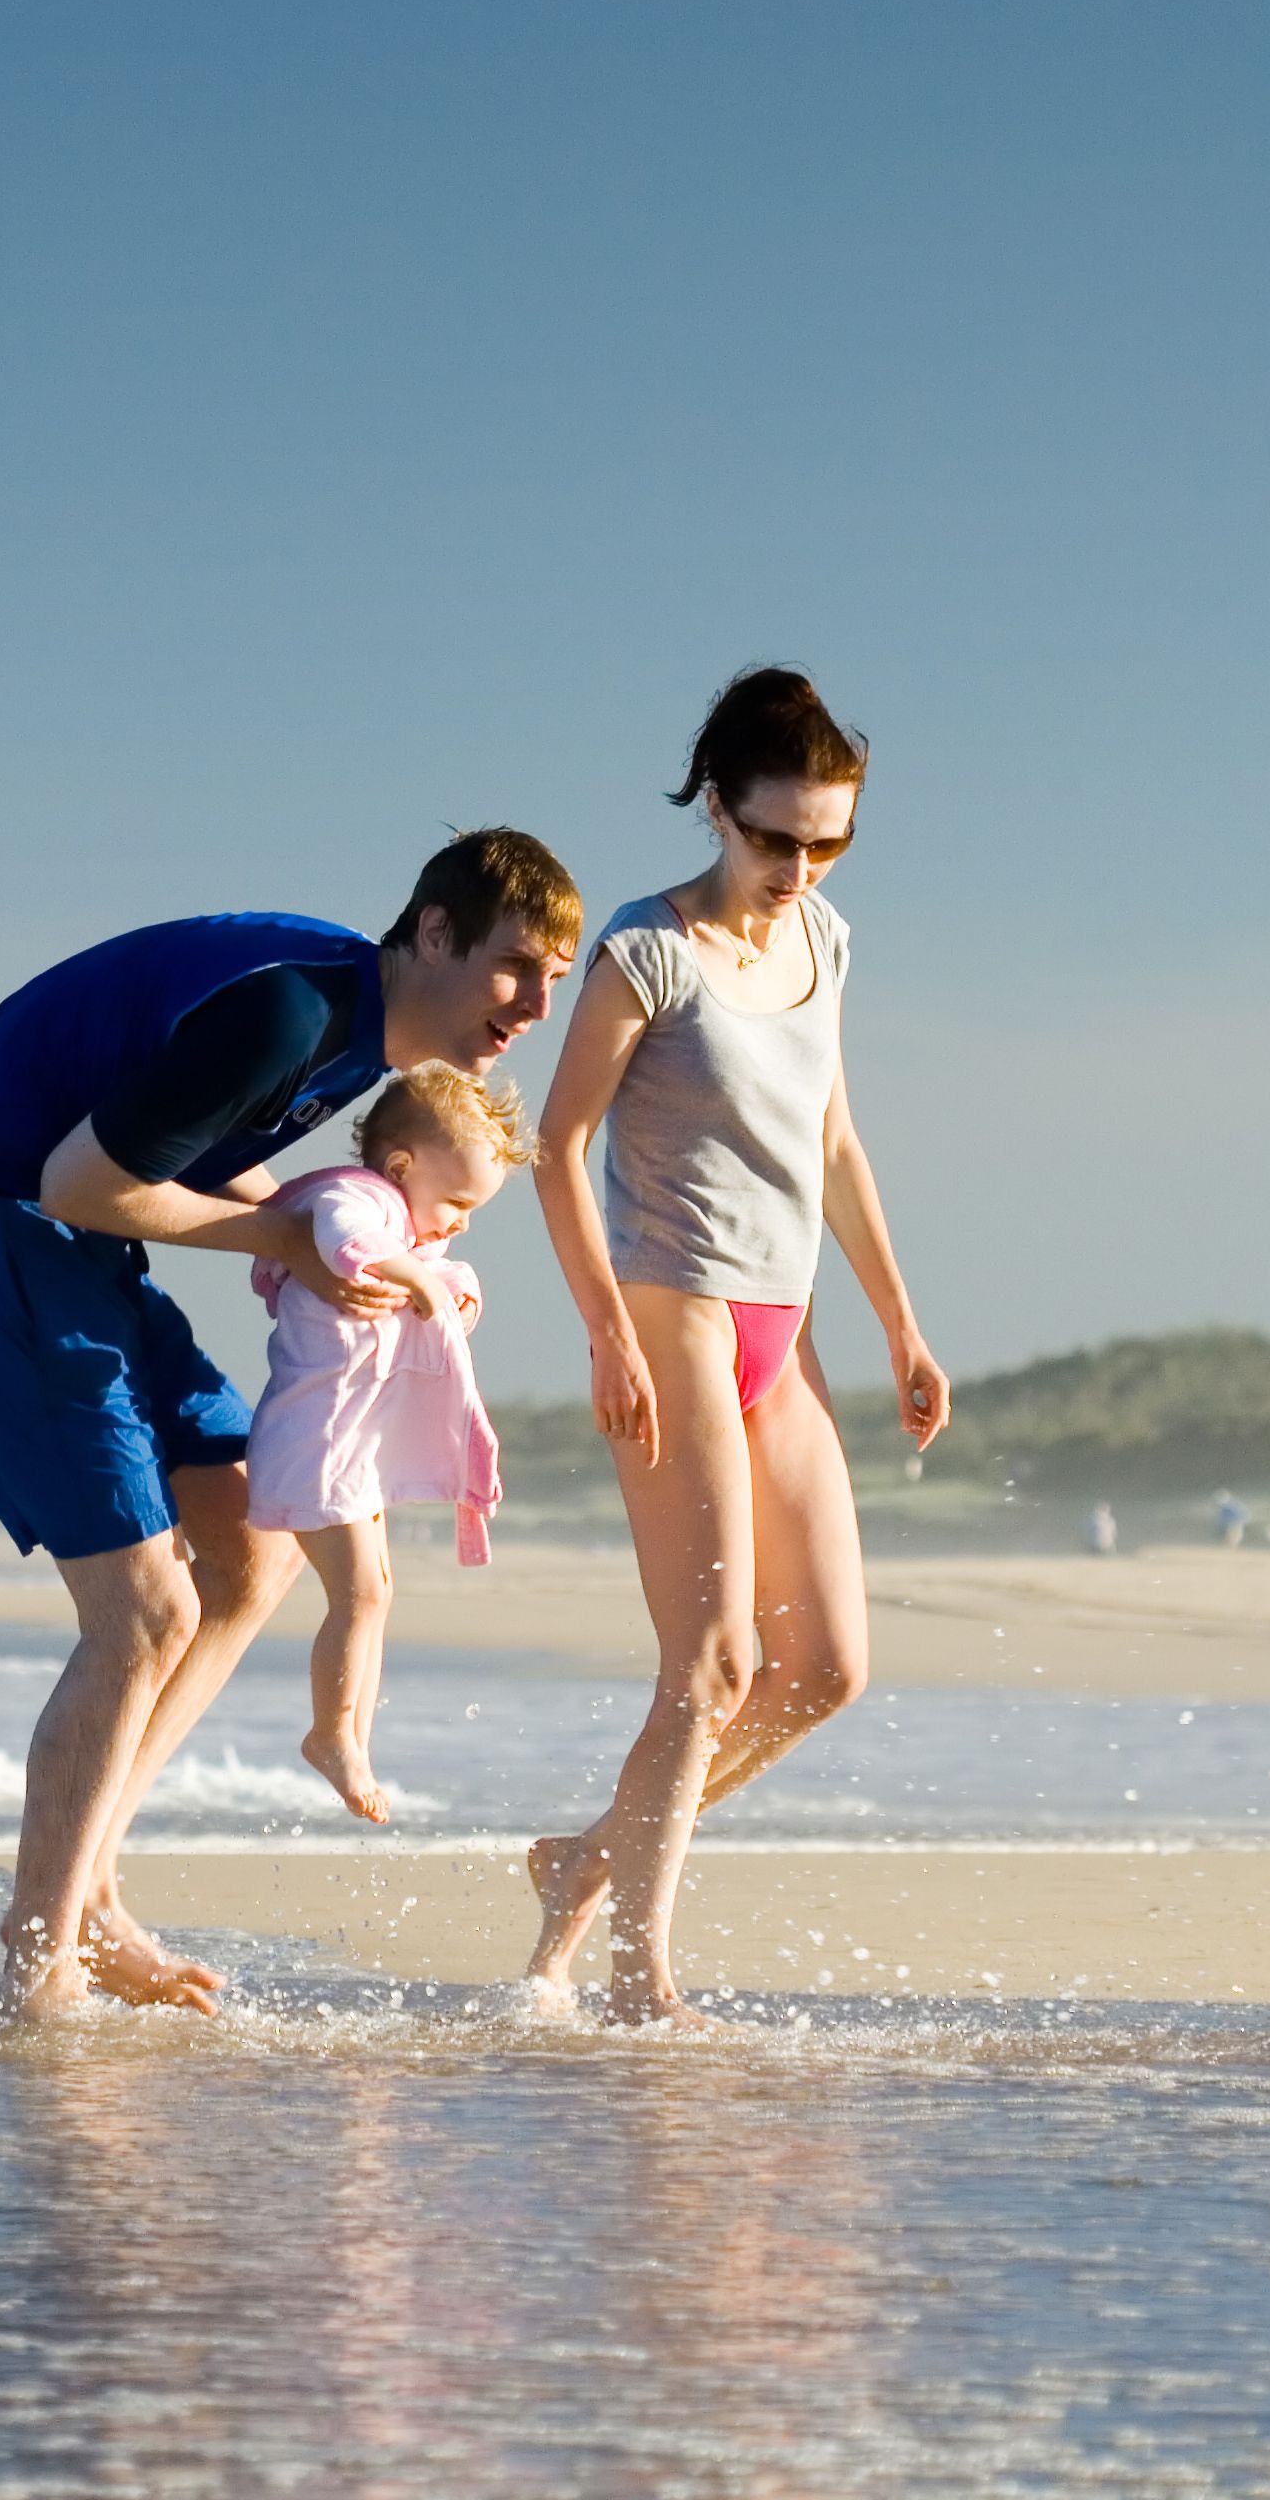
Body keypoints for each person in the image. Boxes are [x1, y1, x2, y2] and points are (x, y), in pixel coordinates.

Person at [0, 831, 584, 2021]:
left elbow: (178, 1159)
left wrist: (331, 1227)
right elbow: (75, 1182)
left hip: (79, 1254)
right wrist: (289, 1240)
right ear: (432, 933)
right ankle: (39, 1958)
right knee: (143, 1617)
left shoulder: (357, 1040)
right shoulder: (289, 1019)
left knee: (251, 1547)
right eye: (518, 964)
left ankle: (92, 1892)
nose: (536, 1002)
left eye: (557, 978)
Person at [519, 670, 950, 2026]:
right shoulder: (646, 953)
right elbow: (558, 1146)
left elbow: (830, 1139)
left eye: (829, 842)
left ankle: (591, 1856)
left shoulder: (826, 942)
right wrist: (605, 1332)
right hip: (676, 1316)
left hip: (791, 1321)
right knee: (709, 1665)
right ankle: (642, 1973)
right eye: (778, 839)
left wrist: (899, 1321)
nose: (802, 865)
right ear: (718, 808)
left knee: (824, 1669)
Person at [242, 1061, 535, 1824]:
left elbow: (442, 1276)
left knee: (375, 1594)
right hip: (318, 1440)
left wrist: (451, 1285)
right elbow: (349, 1245)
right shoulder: (355, 1200)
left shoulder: (404, 1229)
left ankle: (352, 1737)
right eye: (459, 1201)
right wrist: (425, 1281)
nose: (462, 1221)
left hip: (351, 1446)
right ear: (401, 1167)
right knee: (361, 1592)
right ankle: (332, 1736)